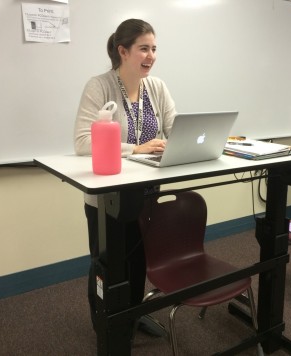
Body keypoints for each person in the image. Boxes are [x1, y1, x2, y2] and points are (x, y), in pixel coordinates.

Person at [73, 19, 177, 332]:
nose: (151, 55)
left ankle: (132, 315)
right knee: (107, 262)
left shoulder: (156, 87)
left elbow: (175, 130)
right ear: (123, 51)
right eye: (144, 48)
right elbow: (82, 142)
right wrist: (137, 148)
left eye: (154, 48)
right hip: (108, 197)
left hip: (146, 192)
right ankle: (105, 323)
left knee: (139, 258)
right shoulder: (99, 85)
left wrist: (176, 144)